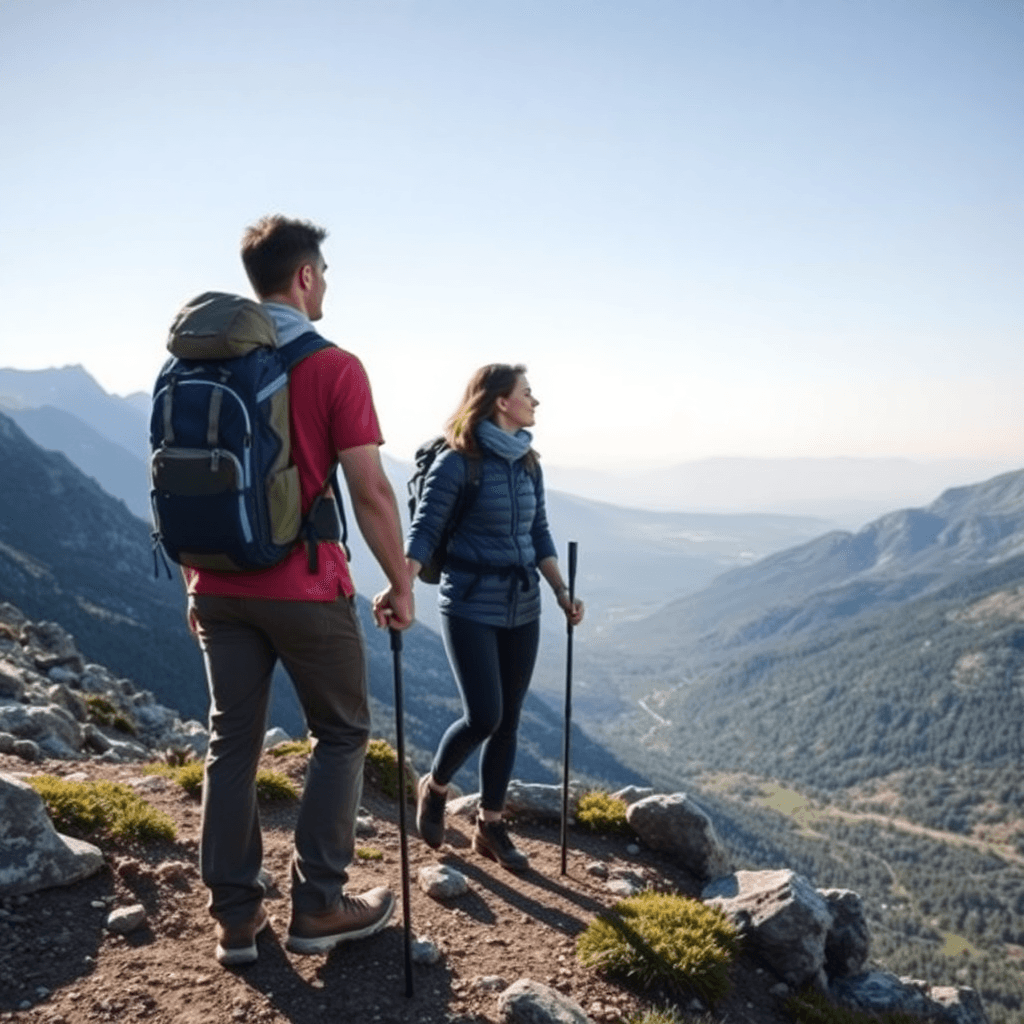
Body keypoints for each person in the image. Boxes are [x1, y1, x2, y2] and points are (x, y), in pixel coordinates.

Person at [183, 215, 414, 966]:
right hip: (305, 586)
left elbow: (189, 482)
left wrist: (196, 583)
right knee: (341, 732)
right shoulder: (333, 365)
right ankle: (318, 906)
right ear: (306, 277)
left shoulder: (201, 365)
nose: (327, 288)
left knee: (232, 739)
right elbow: (370, 490)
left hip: (216, 584)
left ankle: (235, 919)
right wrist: (400, 582)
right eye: (325, 275)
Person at [405, 364, 584, 871]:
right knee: (484, 715)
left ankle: (490, 826)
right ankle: (435, 786)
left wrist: (561, 591)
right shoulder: (457, 462)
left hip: (523, 602)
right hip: (469, 602)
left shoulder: (527, 462)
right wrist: (401, 586)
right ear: (502, 401)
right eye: (528, 393)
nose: (535, 401)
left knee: (509, 720)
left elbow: (539, 532)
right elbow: (425, 530)